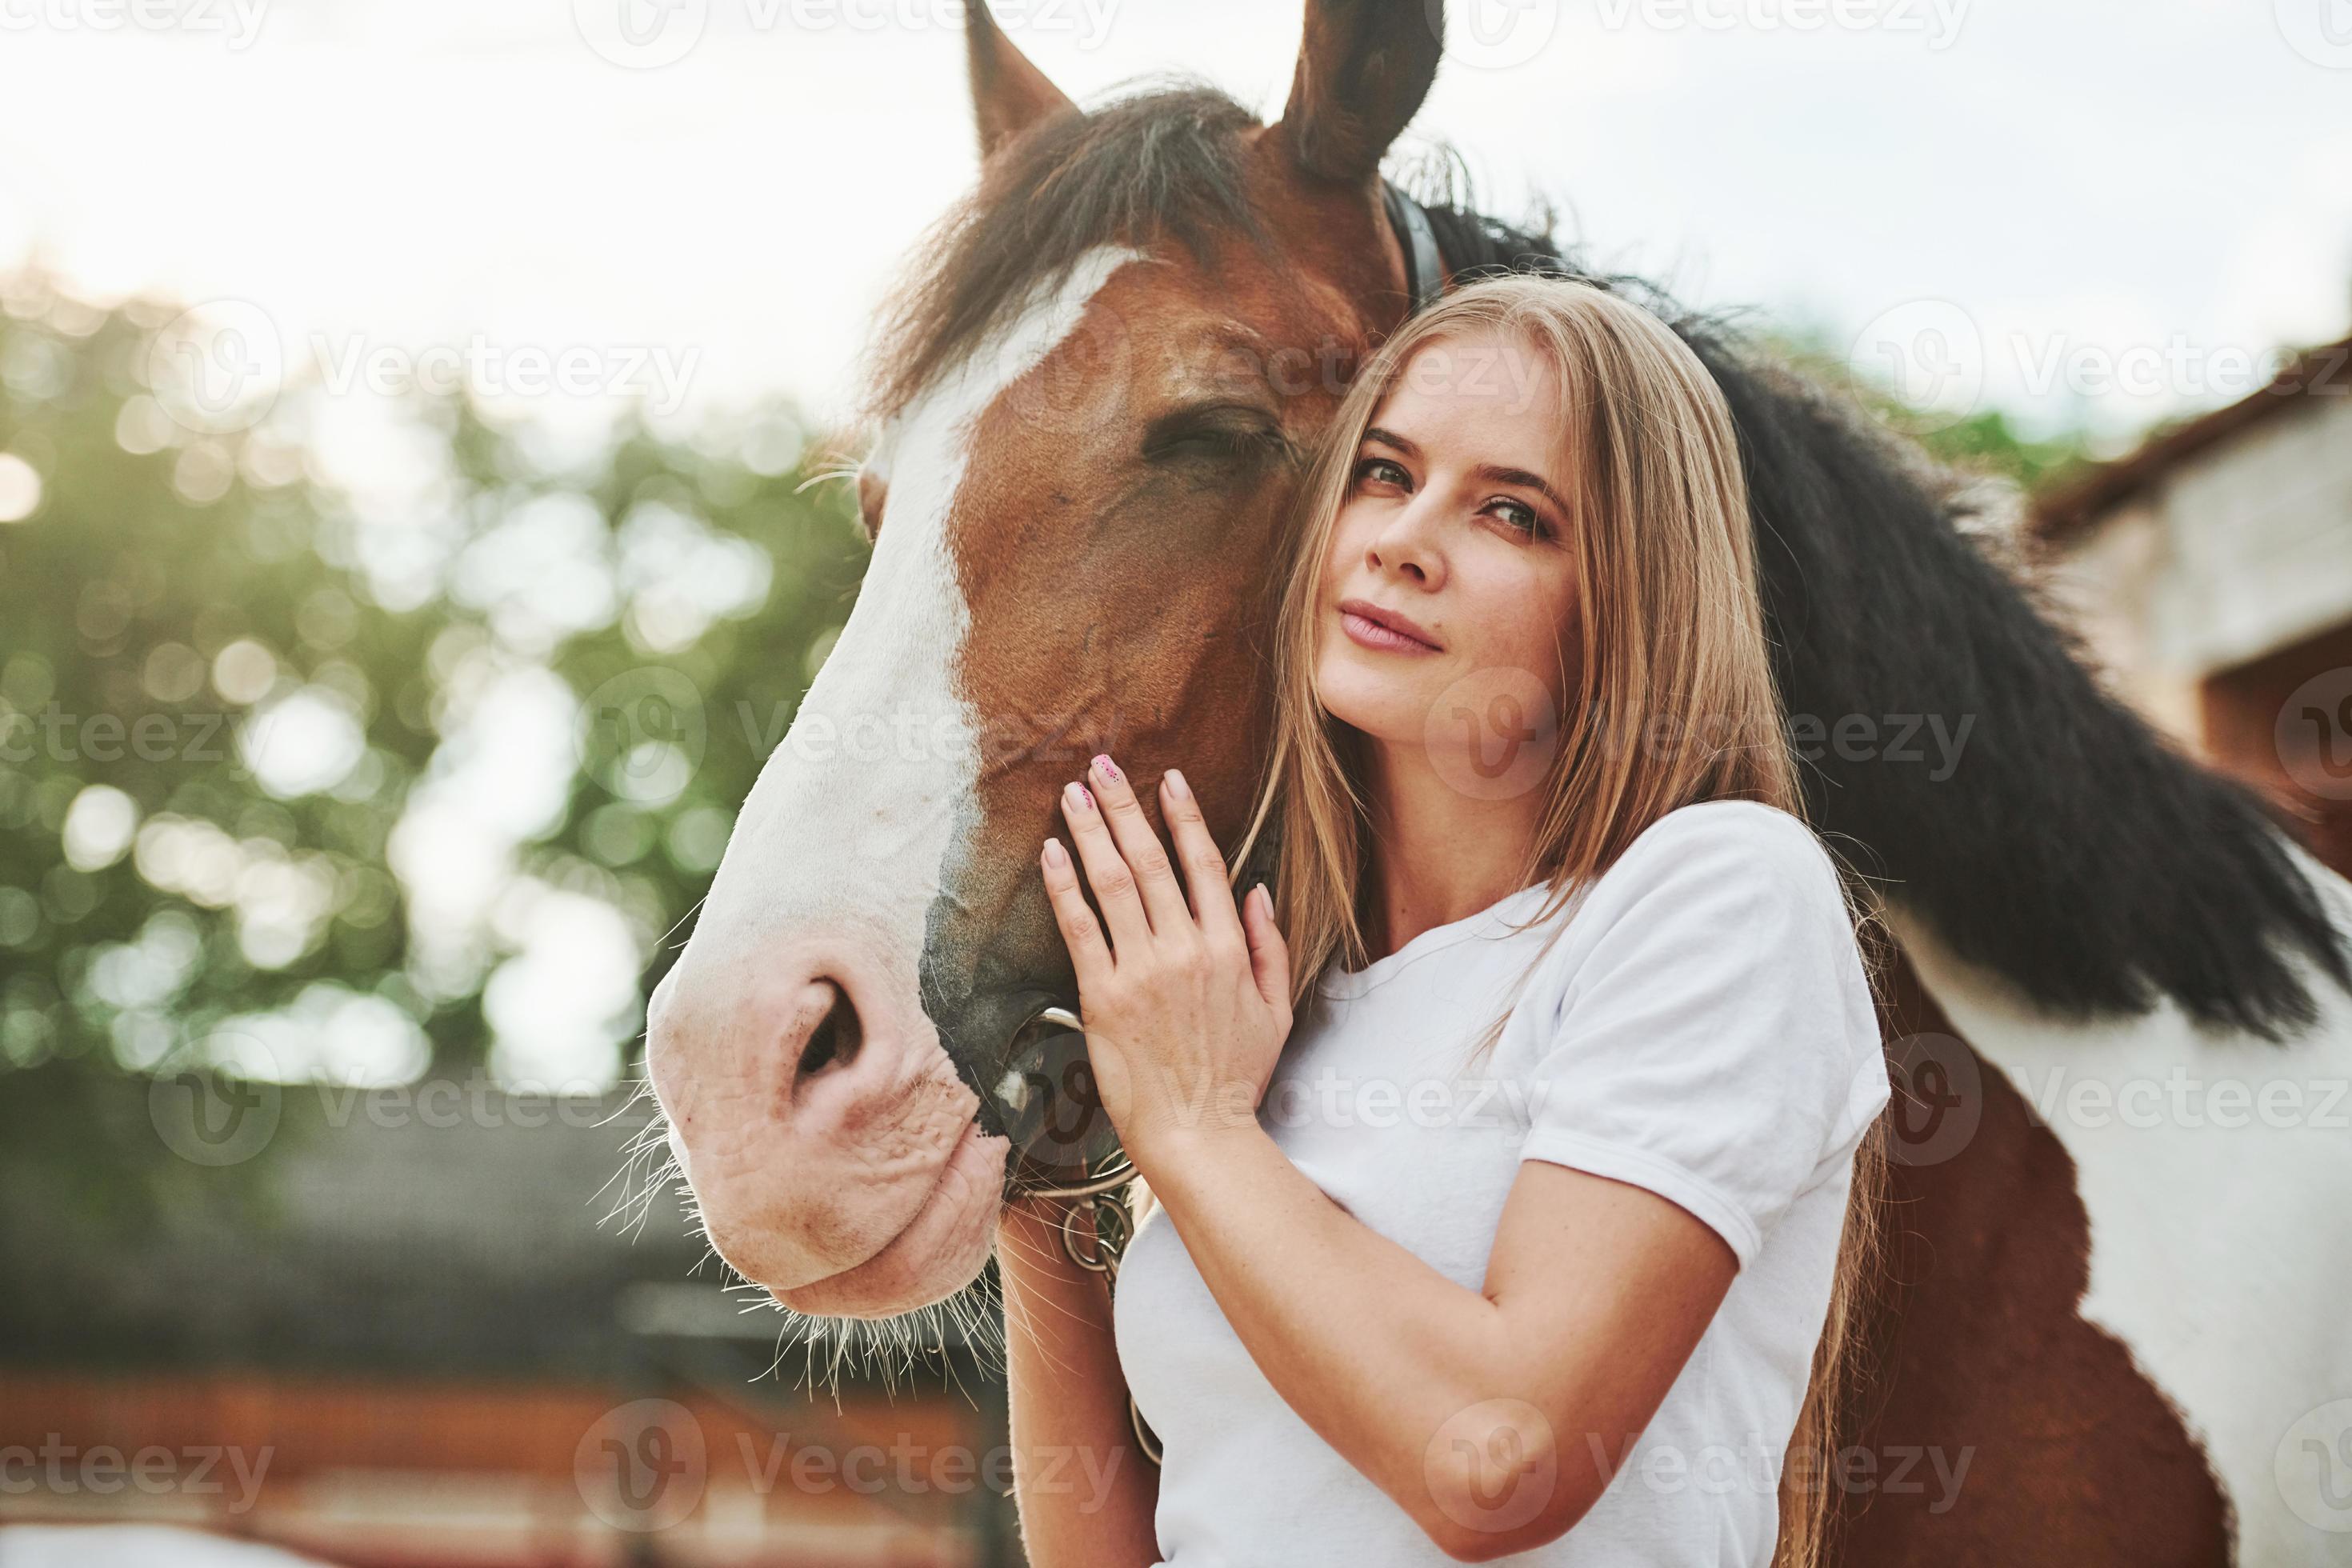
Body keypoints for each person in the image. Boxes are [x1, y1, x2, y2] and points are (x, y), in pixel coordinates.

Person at [997, 274, 1892, 1567]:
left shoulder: (1722, 893)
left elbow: (1498, 1464)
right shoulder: (1256, 998)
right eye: (1381, 473)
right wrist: (1039, 1189)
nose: (1404, 539)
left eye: (1513, 514)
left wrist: (1189, 1125)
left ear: (1631, 594)